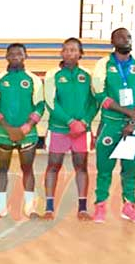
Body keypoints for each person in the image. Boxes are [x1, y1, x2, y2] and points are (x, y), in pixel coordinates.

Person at [91, 28, 135, 223]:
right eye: (121, 36)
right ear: (113, 41)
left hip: (132, 127)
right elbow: (101, 95)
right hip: (111, 124)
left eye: (129, 36)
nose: (126, 39)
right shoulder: (103, 65)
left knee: (129, 170)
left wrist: (133, 121)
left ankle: (129, 206)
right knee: (105, 170)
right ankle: (100, 206)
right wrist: (128, 113)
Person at [42, 38, 97, 221]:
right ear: (61, 53)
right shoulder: (52, 74)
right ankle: (49, 208)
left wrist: (84, 122)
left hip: (82, 130)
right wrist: (70, 122)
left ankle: (82, 208)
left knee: (81, 167)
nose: (69, 53)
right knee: (53, 166)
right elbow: (51, 102)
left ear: (80, 53)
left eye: (73, 50)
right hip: (59, 128)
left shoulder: (88, 75)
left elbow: (94, 101)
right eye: (65, 50)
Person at [0, 43, 45, 220]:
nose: (15, 57)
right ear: (6, 56)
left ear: (25, 56)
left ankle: (29, 207)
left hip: (27, 132)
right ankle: (1, 207)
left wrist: (27, 126)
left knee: (27, 169)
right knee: (2, 169)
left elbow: (40, 105)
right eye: (11, 54)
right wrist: (8, 128)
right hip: (3, 132)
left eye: (19, 54)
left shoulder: (34, 80)